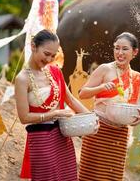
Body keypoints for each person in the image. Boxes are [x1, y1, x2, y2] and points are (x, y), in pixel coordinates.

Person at [15, 29, 89, 180]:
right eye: (46, 54)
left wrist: (91, 117)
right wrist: (55, 113)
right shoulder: (22, 79)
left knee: (67, 176)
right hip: (41, 139)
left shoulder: (55, 71)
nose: (49, 59)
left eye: (53, 56)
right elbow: (24, 117)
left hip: (63, 136)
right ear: (33, 46)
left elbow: (71, 100)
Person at [78, 32, 140, 180]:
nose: (119, 53)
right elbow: (82, 93)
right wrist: (101, 88)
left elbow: (132, 106)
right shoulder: (105, 69)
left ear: (134, 52)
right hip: (98, 130)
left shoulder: (136, 77)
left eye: (125, 49)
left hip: (120, 134)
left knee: (112, 176)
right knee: (92, 175)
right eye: (116, 48)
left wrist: (138, 117)